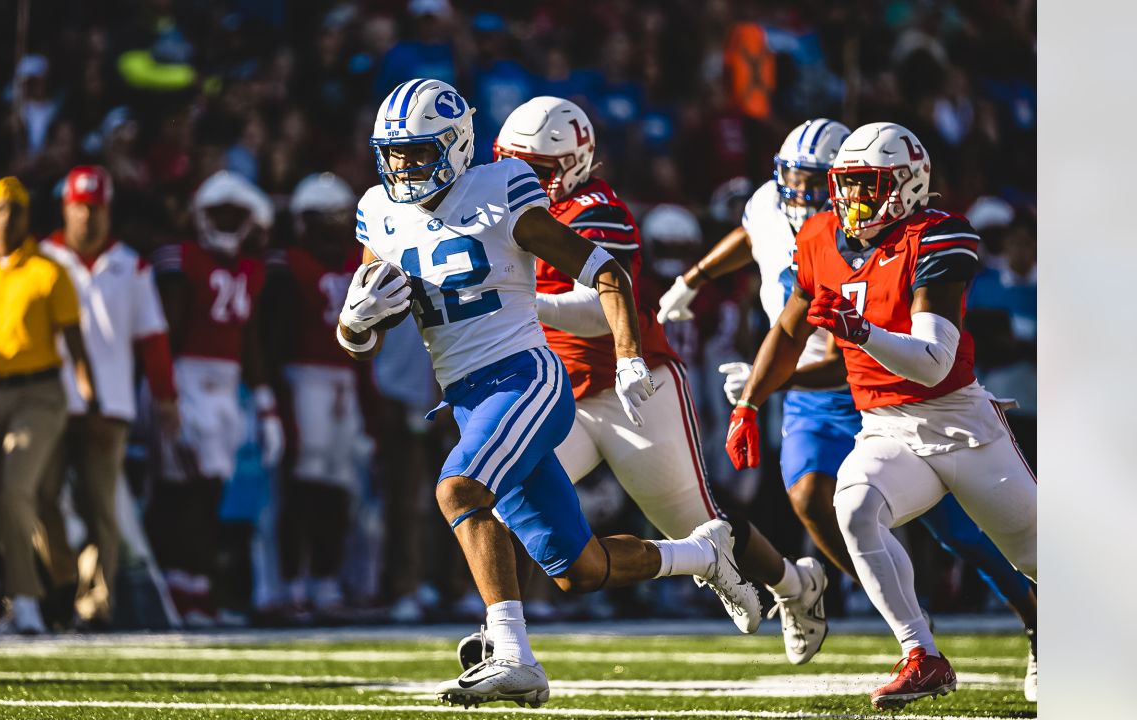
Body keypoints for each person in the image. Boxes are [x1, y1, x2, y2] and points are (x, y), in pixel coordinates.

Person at [339, 79, 758, 709]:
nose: (404, 167)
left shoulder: (502, 190)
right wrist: (353, 322)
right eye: (395, 153)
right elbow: (366, 336)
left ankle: (512, 653)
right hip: (467, 398)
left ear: (455, 147)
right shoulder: (380, 211)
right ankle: (699, 554)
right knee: (580, 570)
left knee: (458, 488)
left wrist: (627, 357)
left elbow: (606, 271)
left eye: (419, 152)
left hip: (526, 376)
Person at [659, 118, 1039, 697]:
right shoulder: (817, 235)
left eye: (868, 184)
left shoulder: (938, 235)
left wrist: (861, 332)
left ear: (910, 185)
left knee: (1035, 554)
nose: (853, 198)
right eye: (847, 183)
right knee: (853, 506)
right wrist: (751, 404)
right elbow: (788, 331)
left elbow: (934, 362)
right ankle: (921, 652)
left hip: (957, 423)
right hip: (883, 425)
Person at [461, 96, 827, 664]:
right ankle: (504, 639)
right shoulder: (498, 202)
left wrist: (522, 299)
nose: (520, 179)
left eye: (537, 171)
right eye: (511, 163)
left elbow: (598, 308)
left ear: (576, 164)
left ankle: (795, 585)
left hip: (634, 385)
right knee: (509, 506)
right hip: (560, 394)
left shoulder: (595, 208)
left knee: (701, 522)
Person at [37, 166, 178, 629]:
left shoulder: (131, 265)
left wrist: (165, 398)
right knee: (39, 498)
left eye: (95, 210)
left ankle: (94, 604)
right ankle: (59, 584)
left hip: (111, 403)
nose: (88, 219)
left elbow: (153, 338)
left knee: (102, 509)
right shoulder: (43, 260)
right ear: (66, 208)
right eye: (80, 209)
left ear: (107, 211)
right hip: (51, 401)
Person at [0, 176, 98, 635]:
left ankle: (28, 601)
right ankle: (10, 597)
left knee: (15, 491)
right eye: (1, 209)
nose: (9, 218)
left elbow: (75, 344)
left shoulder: (48, 269)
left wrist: (89, 394)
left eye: (17, 210)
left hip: (39, 393)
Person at [148, 170, 284, 627]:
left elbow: (250, 339)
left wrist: (264, 402)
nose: (227, 224)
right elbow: (165, 330)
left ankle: (197, 586)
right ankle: (179, 586)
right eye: (219, 215)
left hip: (226, 387)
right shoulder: (183, 258)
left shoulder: (249, 267)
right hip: (187, 377)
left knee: (211, 490)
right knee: (182, 489)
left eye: (235, 216)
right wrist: (165, 391)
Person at [263, 172, 366, 620]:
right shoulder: (288, 265)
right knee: (303, 484)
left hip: (344, 379)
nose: (334, 228)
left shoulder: (353, 262)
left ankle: (325, 579)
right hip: (304, 378)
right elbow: (275, 334)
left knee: (337, 486)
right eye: (325, 220)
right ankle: (292, 580)